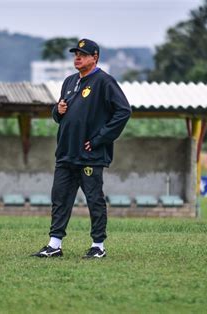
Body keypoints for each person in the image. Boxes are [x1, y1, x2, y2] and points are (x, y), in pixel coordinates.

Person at [32, 38, 131, 258]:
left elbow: (123, 111)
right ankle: (54, 245)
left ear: (94, 57)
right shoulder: (68, 81)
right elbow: (59, 116)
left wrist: (100, 139)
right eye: (76, 53)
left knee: (94, 199)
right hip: (66, 153)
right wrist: (57, 110)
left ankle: (98, 246)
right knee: (60, 199)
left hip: (90, 154)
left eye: (82, 54)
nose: (77, 57)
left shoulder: (105, 82)